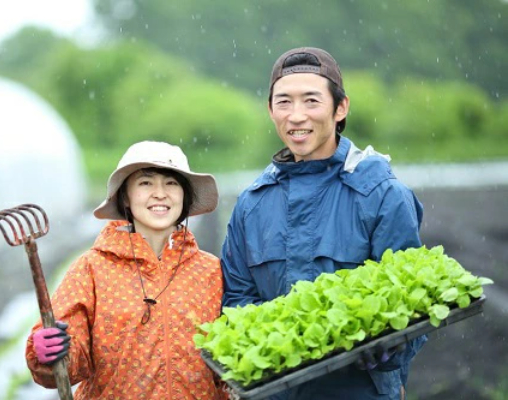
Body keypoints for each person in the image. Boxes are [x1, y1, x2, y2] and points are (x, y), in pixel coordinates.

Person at [220, 47, 426, 400]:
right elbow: (237, 296)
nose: (296, 116)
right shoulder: (252, 204)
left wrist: (382, 343)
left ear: (340, 107)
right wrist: (275, 342)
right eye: (284, 102)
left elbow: (412, 300)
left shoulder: (380, 194)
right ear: (271, 110)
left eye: (311, 101)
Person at [26, 141, 225, 399]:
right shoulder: (92, 269)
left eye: (171, 183)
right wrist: (48, 355)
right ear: (126, 197)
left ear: (185, 196)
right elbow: (69, 364)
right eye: (145, 183)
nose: (160, 193)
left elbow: (228, 363)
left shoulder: (211, 271)